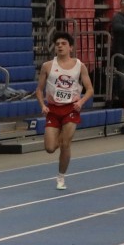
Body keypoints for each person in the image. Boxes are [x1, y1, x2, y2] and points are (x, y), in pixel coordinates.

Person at [35, 31, 94, 191]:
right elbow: (39, 90)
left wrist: (81, 102)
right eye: (57, 44)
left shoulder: (79, 66)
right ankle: (60, 132)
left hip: (71, 108)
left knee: (65, 144)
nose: (60, 46)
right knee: (50, 148)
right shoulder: (47, 66)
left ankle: (61, 177)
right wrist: (42, 105)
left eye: (63, 44)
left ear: (70, 47)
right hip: (53, 110)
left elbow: (90, 89)